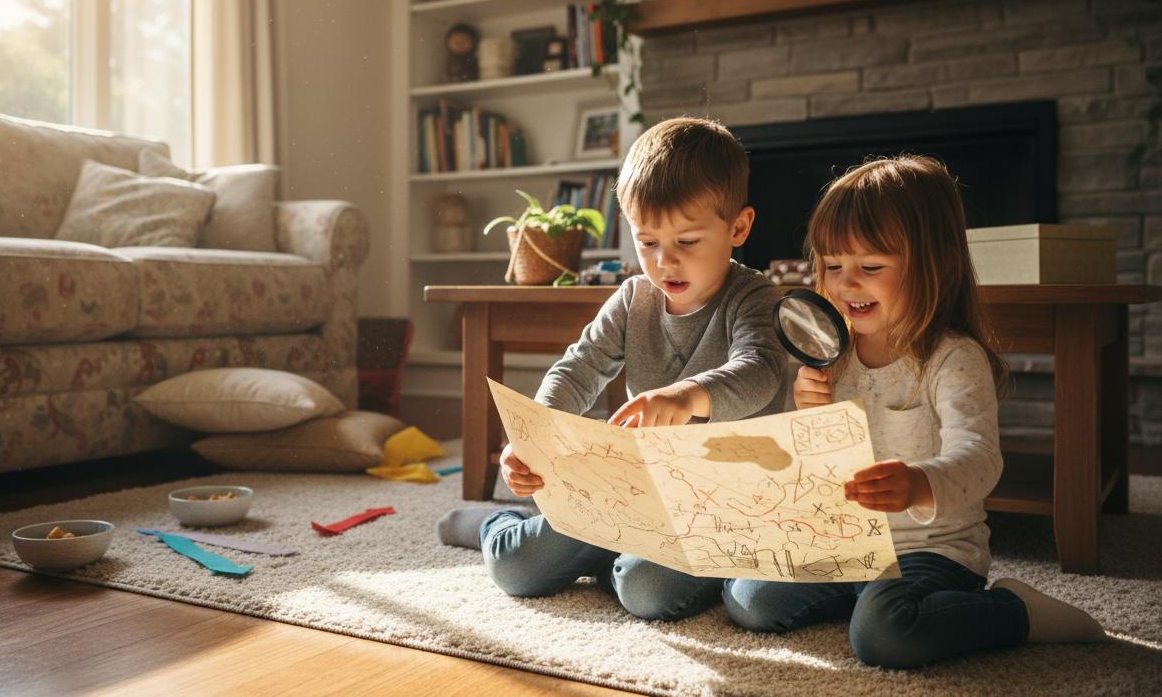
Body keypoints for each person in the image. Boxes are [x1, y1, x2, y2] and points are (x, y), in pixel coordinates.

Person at [723, 154, 1107, 669]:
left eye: (870, 267)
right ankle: (870, 599)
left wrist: (918, 484)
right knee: (749, 598)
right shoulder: (834, 355)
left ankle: (1016, 610)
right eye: (832, 266)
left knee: (886, 636)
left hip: (933, 550)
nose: (846, 284)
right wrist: (808, 414)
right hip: (850, 544)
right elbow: (819, 473)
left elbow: (981, 458)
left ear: (937, 264)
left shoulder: (952, 358)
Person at [437, 116, 788, 622]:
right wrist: (535, 437)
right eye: (647, 243)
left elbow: (760, 371)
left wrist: (686, 395)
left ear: (738, 227)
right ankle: (495, 525)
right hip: (633, 489)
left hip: (717, 504)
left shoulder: (756, 297)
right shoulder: (633, 298)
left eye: (688, 242)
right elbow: (577, 370)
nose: (665, 262)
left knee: (648, 591)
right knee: (518, 569)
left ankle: (610, 561)